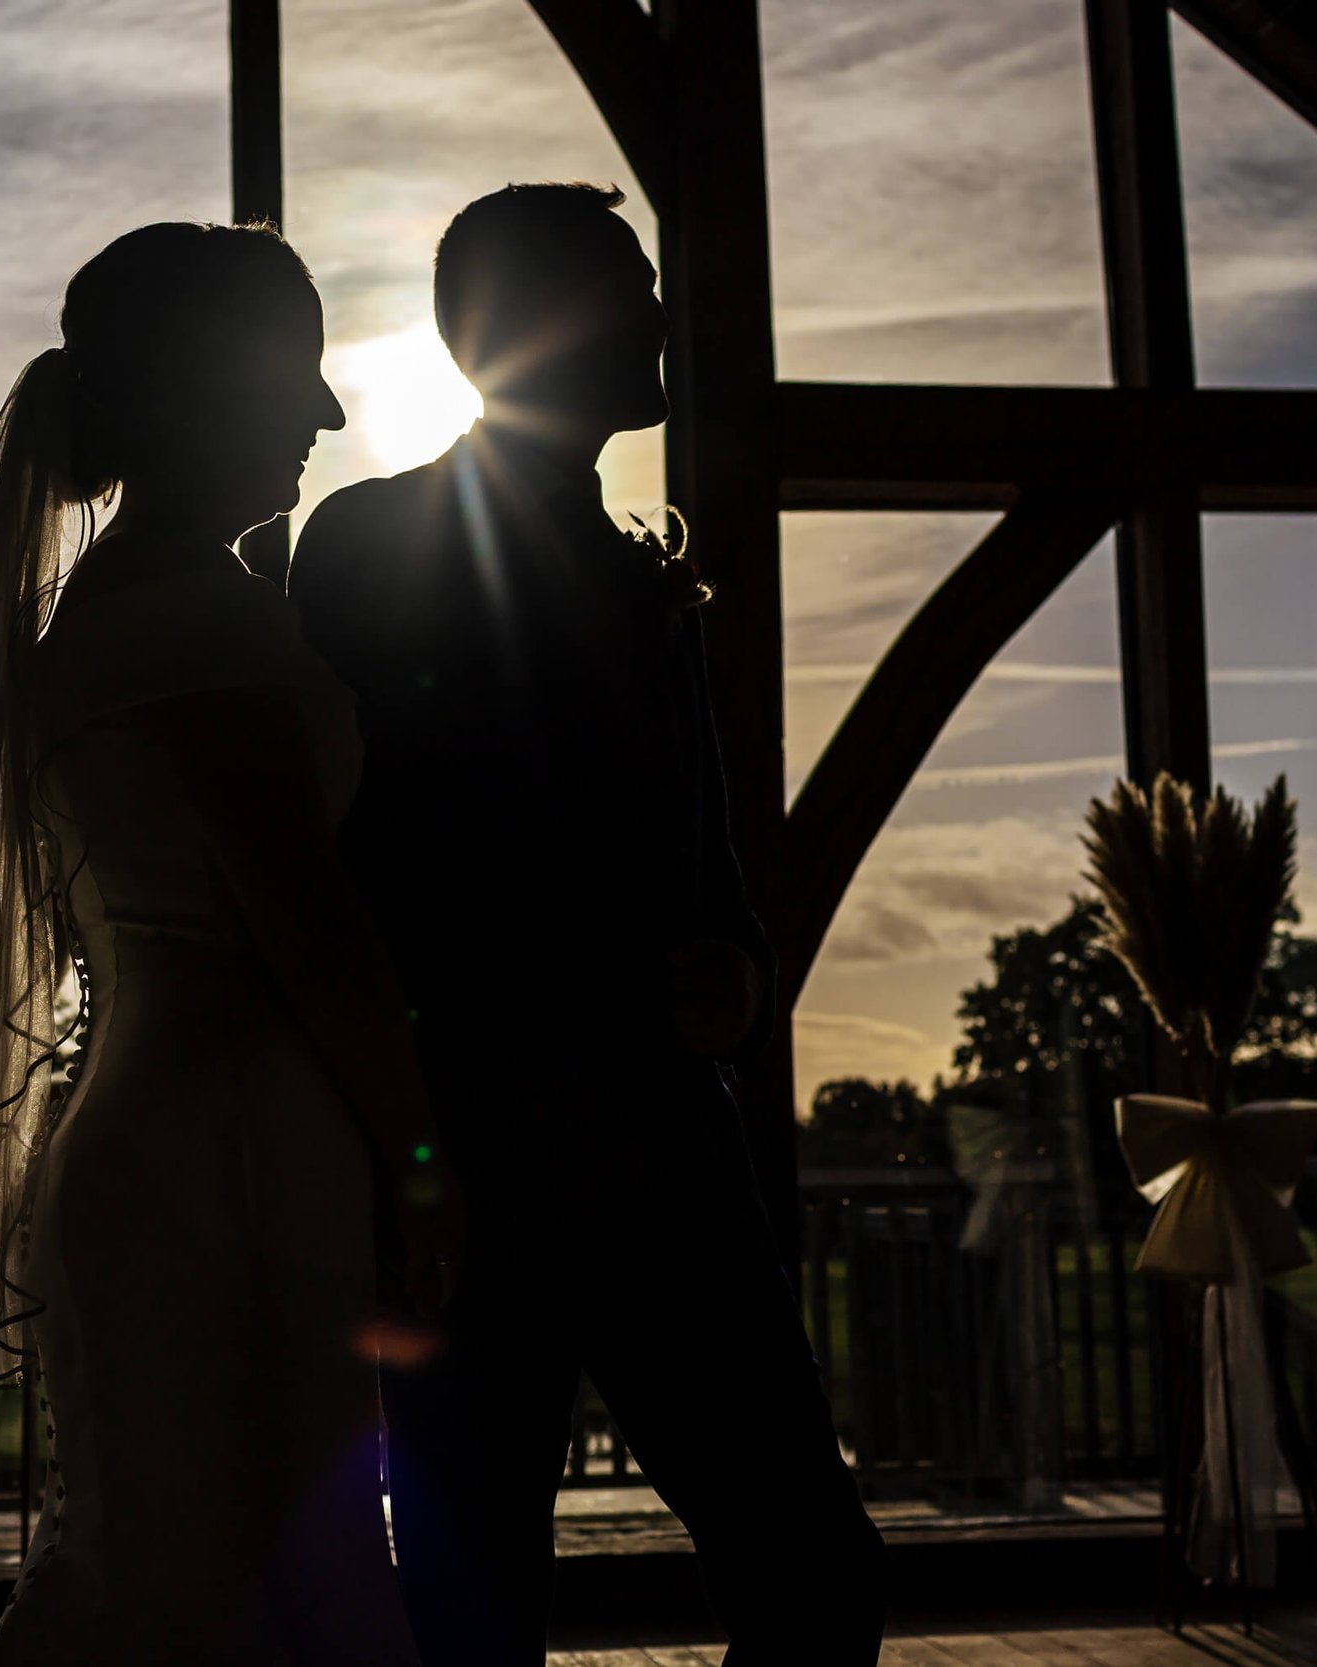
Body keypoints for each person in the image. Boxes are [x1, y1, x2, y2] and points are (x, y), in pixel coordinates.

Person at [0, 221, 461, 1665]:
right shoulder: (206, 627)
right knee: (232, 1588)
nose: (325, 414)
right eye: (294, 377)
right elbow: (309, 930)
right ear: (200, 395)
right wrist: (423, 1171)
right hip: (239, 1148)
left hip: (150, 1128)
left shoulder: (93, 622)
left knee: (161, 1570)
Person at [290, 183, 885, 1664]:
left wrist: (736, 980)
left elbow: (714, 880)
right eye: (630, 284)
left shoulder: (648, 579)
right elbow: (356, 869)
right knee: (475, 1606)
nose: (668, 320)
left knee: (816, 1573)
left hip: (669, 1165)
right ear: (514, 333)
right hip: (464, 1174)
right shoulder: (366, 548)